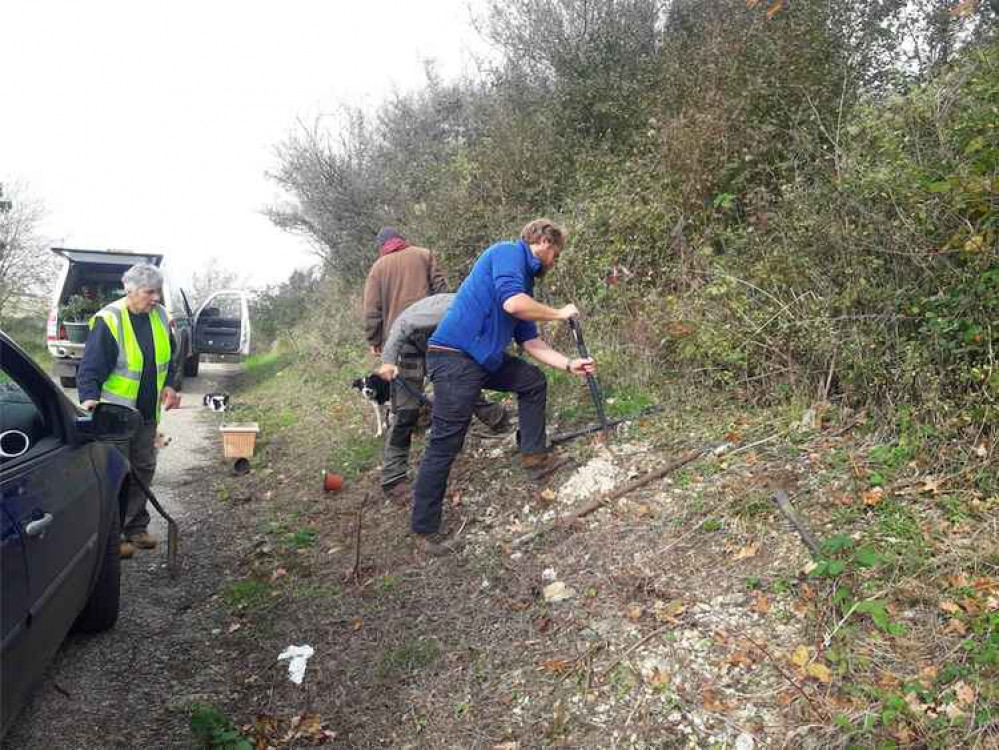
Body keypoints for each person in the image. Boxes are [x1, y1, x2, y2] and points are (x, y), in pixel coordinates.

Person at [409, 219, 595, 555]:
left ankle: (535, 457)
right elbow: (513, 305)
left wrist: (569, 364)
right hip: (453, 357)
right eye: (556, 253)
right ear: (542, 241)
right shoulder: (508, 252)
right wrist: (560, 313)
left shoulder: (524, 284)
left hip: (481, 362)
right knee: (446, 442)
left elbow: (531, 342)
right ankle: (424, 531)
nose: (555, 261)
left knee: (532, 381)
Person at [77, 263, 181, 558]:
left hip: (146, 414)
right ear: (130, 290)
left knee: (143, 469)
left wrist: (171, 385)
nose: (156, 298)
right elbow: (90, 367)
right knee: (116, 476)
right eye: (150, 292)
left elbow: (170, 355)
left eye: (158, 292)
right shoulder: (110, 320)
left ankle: (135, 527)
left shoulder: (160, 315)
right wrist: (88, 399)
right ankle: (111, 536)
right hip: (116, 416)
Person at [375, 293, 509, 499]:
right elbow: (404, 324)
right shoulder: (449, 310)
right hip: (408, 344)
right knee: (406, 412)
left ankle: (497, 417)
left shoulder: (483, 314)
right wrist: (388, 360)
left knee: (462, 381)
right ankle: (393, 477)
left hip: (438, 344)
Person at [362, 227, 448, 498]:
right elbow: (444, 291)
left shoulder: (378, 268)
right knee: (456, 383)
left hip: (402, 343)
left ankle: (393, 477)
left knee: (404, 409)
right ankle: (497, 420)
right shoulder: (424, 254)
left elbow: (372, 309)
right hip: (436, 334)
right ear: (402, 240)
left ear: (382, 246)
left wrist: (375, 339)